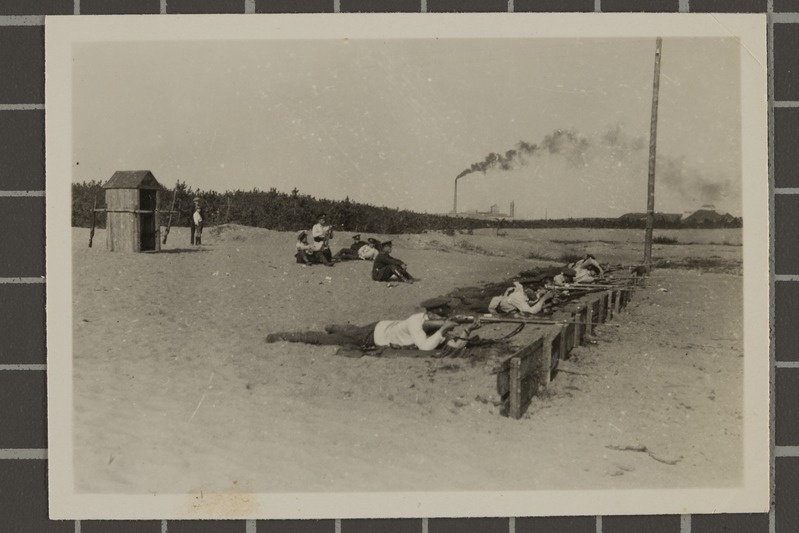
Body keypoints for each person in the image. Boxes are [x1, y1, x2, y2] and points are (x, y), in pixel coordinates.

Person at [266, 297, 461, 351]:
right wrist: (444, 329)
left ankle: (335, 326)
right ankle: (281, 336)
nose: (443, 319)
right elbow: (426, 347)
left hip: (381, 327)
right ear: (431, 313)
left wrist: (467, 329)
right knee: (326, 340)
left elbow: (448, 339)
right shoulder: (415, 321)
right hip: (373, 335)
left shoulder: (426, 321)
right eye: (441, 316)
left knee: (352, 331)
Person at [488, 282, 555, 315]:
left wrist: (540, 295)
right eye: (534, 291)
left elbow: (531, 299)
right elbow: (530, 311)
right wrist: (544, 298)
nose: (535, 293)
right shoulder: (518, 297)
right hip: (494, 305)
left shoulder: (521, 290)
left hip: (501, 300)